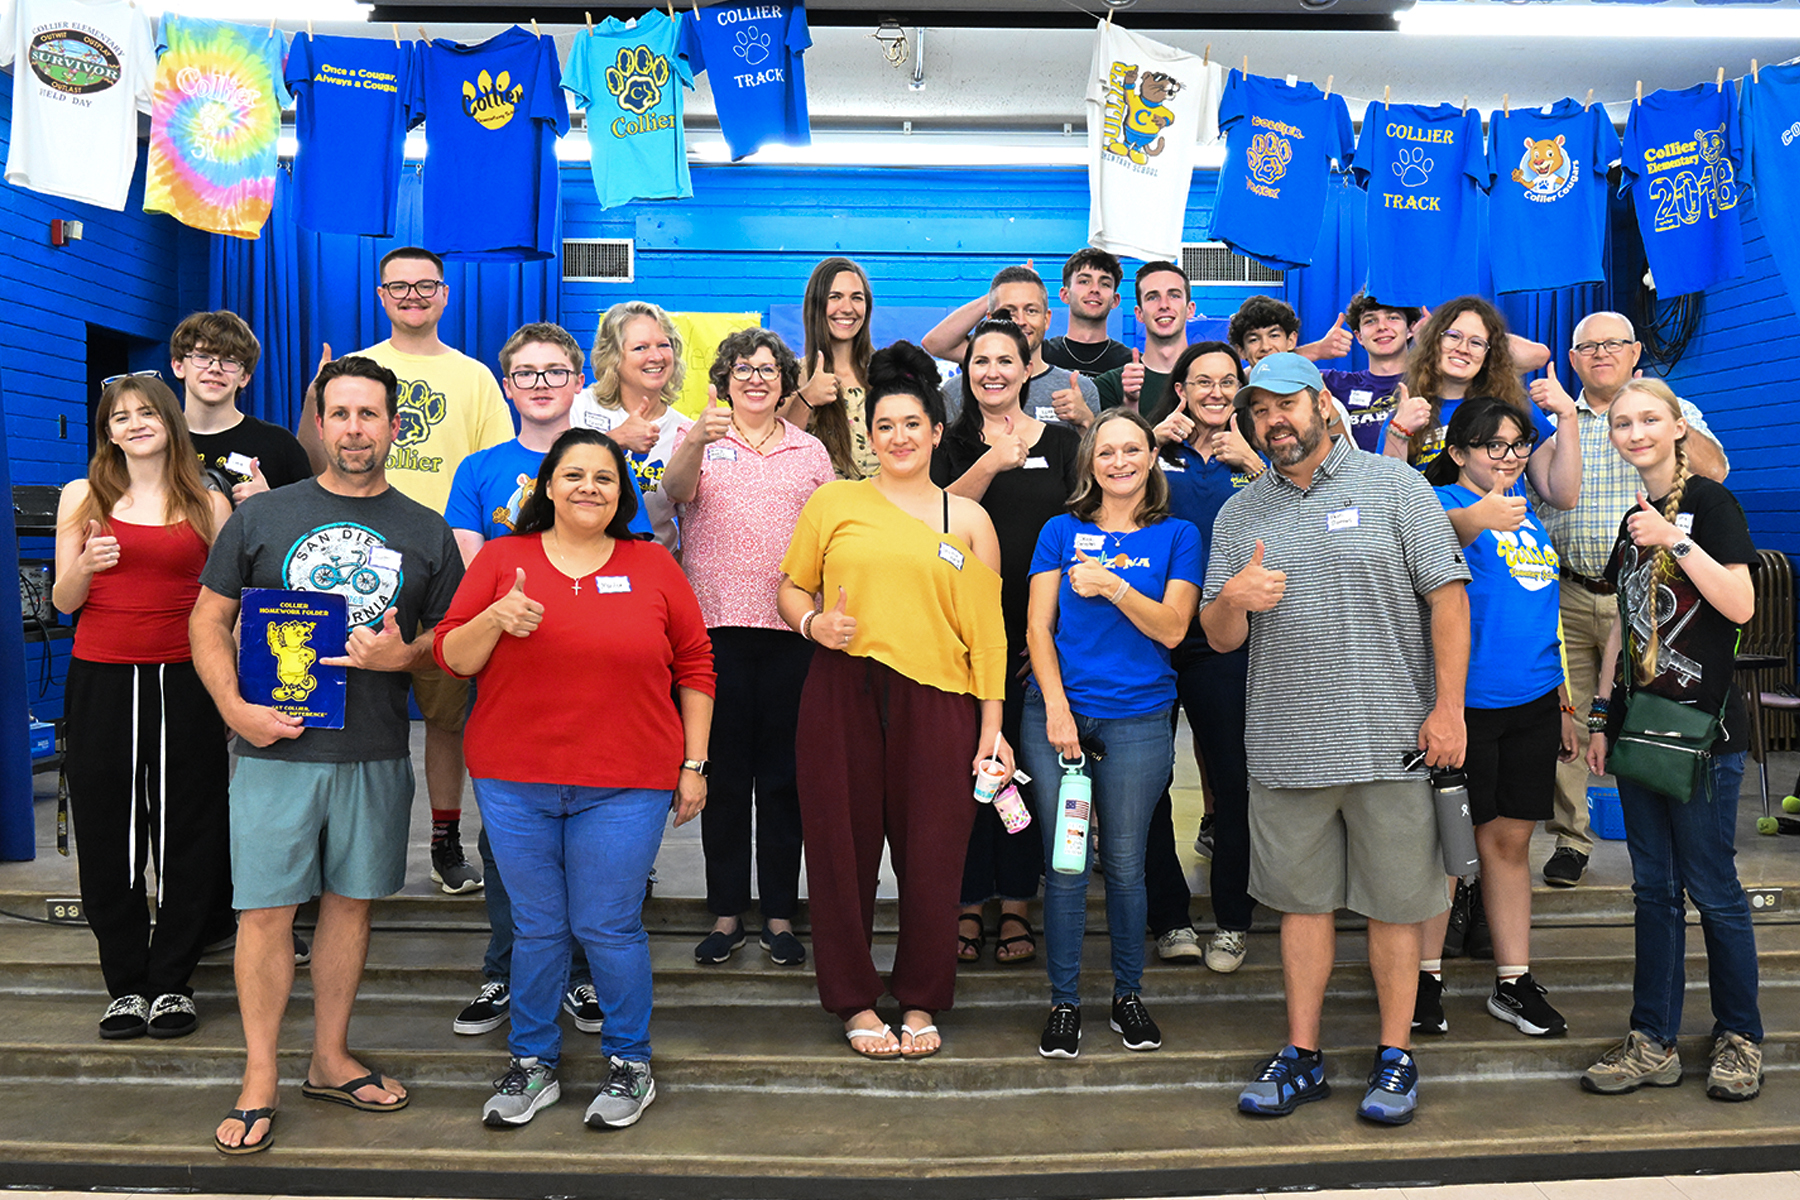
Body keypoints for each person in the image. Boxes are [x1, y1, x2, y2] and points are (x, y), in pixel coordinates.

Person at [195, 355, 464, 1154]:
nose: (354, 429)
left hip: (374, 750)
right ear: (319, 421)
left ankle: (328, 1056)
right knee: (266, 910)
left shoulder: (426, 529)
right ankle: (258, 1075)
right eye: (339, 414)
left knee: (352, 904)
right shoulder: (262, 518)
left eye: (369, 415)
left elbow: (447, 642)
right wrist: (235, 708)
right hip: (274, 747)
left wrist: (401, 658)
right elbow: (207, 622)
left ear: (394, 425)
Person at [1202, 352, 1470, 1127]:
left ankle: (1396, 1055)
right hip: (1287, 747)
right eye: (1257, 411)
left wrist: (1448, 709)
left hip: (1392, 741)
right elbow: (1217, 638)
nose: (1271, 421)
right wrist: (1235, 600)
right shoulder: (1239, 514)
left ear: (1323, 404)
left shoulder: (1395, 486)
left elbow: (1448, 599)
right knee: (1300, 908)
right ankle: (1304, 1055)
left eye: (1284, 404)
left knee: (1395, 908)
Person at [436, 428, 714, 1130]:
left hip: (627, 780)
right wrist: (496, 617)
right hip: (515, 778)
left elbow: (696, 665)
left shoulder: (652, 567)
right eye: (574, 474)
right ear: (547, 487)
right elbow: (453, 658)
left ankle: (630, 1064)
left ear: (622, 493)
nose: (589, 486)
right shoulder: (503, 560)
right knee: (536, 927)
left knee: (607, 925)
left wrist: (694, 763)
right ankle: (533, 1064)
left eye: (605, 477)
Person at [777, 341, 1008, 1061]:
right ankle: (852, 1000)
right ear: (868, 436)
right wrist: (814, 623)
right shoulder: (835, 501)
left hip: (941, 702)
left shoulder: (966, 519)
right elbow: (790, 588)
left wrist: (991, 729)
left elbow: (989, 636)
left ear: (937, 433)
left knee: (935, 855)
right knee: (841, 852)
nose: (900, 436)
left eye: (914, 424)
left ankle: (919, 998)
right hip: (841, 689)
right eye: (886, 426)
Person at [441, 322, 650, 1038]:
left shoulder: (607, 462)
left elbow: (633, 559)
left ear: (576, 382)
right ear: (508, 385)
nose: (539, 383)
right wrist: (508, 611)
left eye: (554, 371)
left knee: (598, 841)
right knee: (512, 839)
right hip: (508, 668)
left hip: (597, 681)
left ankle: (585, 976)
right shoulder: (478, 469)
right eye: (525, 373)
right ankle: (506, 969)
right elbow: (477, 576)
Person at [296, 245, 514, 897]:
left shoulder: (474, 377)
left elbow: (493, 469)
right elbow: (315, 460)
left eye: (426, 285)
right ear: (381, 295)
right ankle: (330, 844)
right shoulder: (356, 371)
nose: (413, 295)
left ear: (445, 295)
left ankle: (444, 840)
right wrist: (314, 399)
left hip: (446, 563)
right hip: (357, 559)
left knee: (448, 714)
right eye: (399, 286)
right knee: (345, 704)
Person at [1581, 377, 1762, 1103]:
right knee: (1652, 890)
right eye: (1622, 422)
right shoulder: (1633, 516)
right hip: (1640, 729)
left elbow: (1741, 604)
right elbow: (1625, 628)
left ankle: (1740, 1037)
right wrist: (1600, 716)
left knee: (1713, 889)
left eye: (1648, 419)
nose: (1635, 432)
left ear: (1678, 427)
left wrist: (1676, 539)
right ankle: (1652, 1038)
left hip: (1704, 733)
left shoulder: (1710, 507)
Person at [52, 374, 232, 1043]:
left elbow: (230, 604)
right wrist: (87, 566)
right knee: (109, 831)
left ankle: (172, 982)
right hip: (101, 679)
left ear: (169, 421)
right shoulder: (84, 497)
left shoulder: (207, 502)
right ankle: (126, 983)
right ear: (108, 430)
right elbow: (63, 603)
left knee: (189, 827)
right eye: (120, 415)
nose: (134, 423)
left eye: (146, 412)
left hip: (185, 678)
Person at [1023, 409, 1201, 1058]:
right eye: (1106, 452)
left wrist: (1112, 585)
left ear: (1152, 457)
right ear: (1089, 464)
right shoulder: (1059, 531)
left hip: (1140, 722)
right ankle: (1064, 1003)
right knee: (1066, 865)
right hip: (1061, 721)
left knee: (1126, 866)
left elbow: (1175, 628)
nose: (1119, 462)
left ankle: (1127, 997)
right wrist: (1056, 709)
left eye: (1132, 450)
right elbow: (1038, 628)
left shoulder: (1179, 535)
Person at [1536, 311, 1730, 888]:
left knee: (1644, 711)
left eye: (1613, 344)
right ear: (1571, 360)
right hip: (1567, 587)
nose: (1600, 354)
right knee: (1569, 715)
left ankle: (1660, 829)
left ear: (1636, 351)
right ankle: (1572, 839)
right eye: (1586, 347)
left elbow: (1716, 471)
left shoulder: (1667, 413)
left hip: (1650, 601)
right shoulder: (1553, 422)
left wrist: (1654, 413)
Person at [662, 329, 833, 967]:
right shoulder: (699, 439)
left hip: (792, 634)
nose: (755, 377)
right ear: (724, 378)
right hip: (714, 635)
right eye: (742, 367)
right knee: (724, 780)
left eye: (767, 368)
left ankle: (782, 916)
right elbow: (676, 495)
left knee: (786, 781)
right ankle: (728, 913)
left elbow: (828, 538)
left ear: (785, 381)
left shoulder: (810, 451)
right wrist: (698, 441)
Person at [1415, 396, 1577, 1039]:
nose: (1508, 456)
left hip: (1535, 701)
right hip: (1465, 709)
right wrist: (1479, 516)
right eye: (1492, 445)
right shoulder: (1444, 506)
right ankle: (1425, 979)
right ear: (1459, 453)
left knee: (1509, 847)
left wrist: (1564, 701)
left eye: (1516, 444)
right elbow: (1433, 547)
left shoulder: (1529, 516)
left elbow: (1543, 613)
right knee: (1448, 854)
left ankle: (1513, 982)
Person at [930, 316, 1081, 966]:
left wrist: (1050, 631)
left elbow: (1086, 528)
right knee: (965, 771)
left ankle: (1017, 901)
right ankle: (966, 902)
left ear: (1027, 368)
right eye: (979, 361)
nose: (992, 370)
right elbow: (931, 517)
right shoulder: (950, 440)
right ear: (967, 371)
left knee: (1017, 770)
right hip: (959, 635)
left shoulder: (1066, 441)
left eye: (1004, 360)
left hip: (1040, 634)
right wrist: (991, 463)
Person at [1150, 342, 1264, 975]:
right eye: (1202, 381)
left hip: (1229, 638)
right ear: (1181, 390)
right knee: (1150, 782)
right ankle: (1168, 917)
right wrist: (1144, 443)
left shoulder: (1261, 456)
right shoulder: (1153, 451)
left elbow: (1305, 507)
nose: (1215, 391)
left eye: (1228, 381)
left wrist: (1254, 459)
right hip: (1154, 636)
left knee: (1232, 781)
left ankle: (1232, 920)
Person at [1382, 297, 1579, 514]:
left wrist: (1568, 414)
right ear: (1433, 343)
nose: (1463, 348)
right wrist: (1399, 432)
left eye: (1476, 343)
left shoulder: (1514, 404)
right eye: (1453, 336)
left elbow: (1563, 496)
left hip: (1509, 542)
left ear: (1488, 356)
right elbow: (1389, 506)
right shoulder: (1405, 413)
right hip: (1438, 541)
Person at [569, 301, 696, 552]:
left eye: (664, 345)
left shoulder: (685, 432)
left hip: (650, 568)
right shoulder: (579, 407)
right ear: (613, 356)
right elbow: (551, 475)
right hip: (580, 559)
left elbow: (689, 525)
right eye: (641, 347)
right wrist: (614, 440)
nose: (656, 356)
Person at [921, 263, 1103, 431]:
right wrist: (997, 293)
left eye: (1031, 311)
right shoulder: (956, 390)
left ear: (1046, 319)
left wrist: (1086, 420)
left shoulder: (1080, 389)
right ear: (991, 319)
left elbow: (1095, 463)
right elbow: (935, 343)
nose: (1021, 321)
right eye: (1009, 312)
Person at [172, 310, 312, 503]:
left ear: (244, 377)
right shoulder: (157, 442)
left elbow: (309, 522)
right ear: (178, 366)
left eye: (229, 361)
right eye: (203, 357)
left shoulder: (279, 445)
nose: (214, 369)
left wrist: (271, 503)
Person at [781, 256, 875, 479]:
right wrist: (805, 400)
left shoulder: (885, 371)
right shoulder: (790, 377)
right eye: (835, 297)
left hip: (884, 510)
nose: (847, 308)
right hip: (821, 510)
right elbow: (776, 458)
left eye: (857, 298)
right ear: (816, 304)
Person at [1093, 262, 1192, 426]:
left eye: (1174, 295)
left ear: (1190, 309)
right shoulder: (1110, 385)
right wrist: (1130, 403)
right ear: (1139, 314)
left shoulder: (1212, 380)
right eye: (1152, 297)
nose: (1164, 305)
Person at [1041, 248, 1134, 374]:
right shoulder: (1041, 356)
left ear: (1115, 300)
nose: (1095, 289)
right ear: (1065, 295)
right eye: (1084, 281)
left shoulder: (1131, 365)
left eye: (1105, 284)